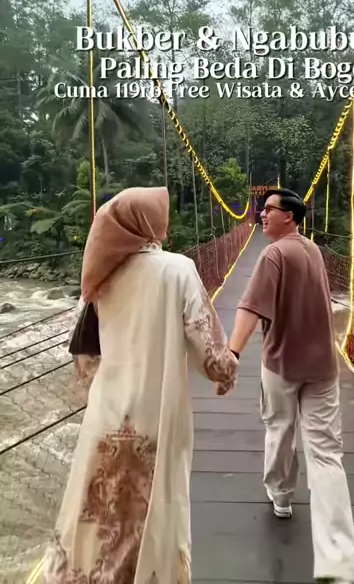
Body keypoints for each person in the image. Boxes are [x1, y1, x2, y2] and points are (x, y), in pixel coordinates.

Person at [43, 186, 238, 584]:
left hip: (106, 415)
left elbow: (84, 359)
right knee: (152, 512)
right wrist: (225, 373)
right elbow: (210, 351)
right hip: (155, 417)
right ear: (150, 223)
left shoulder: (100, 274)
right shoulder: (178, 269)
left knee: (103, 516)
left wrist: (105, 388)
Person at [223, 188, 354, 584]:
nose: (261, 215)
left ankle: (281, 496)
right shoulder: (313, 249)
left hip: (282, 364)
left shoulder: (273, 255)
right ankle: (339, 565)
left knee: (280, 429)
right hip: (323, 366)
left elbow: (249, 308)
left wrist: (232, 354)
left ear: (290, 216)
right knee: (327, 454)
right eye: (261, 209)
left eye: (269, 209)